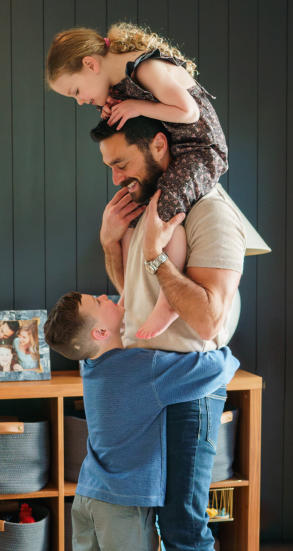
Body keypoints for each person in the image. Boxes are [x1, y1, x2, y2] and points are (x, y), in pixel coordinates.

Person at [94, 115, 246, 551]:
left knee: (186, 528)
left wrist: (154, 252)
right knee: (156, 518)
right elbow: (132, 297)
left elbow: (207, 319)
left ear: (159, 146)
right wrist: (113, 241)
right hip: (145, 381)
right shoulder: (147, 207)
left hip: (187, 389)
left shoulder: (210, 216)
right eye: (109, 167)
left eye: (122, 163)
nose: (115, 177)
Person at [43, 288, 238, 551]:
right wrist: (223, 343)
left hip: (88, 495)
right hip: (124, 506)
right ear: (100, 329)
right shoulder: (142, 367)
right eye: (100, 300)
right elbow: (219, 367)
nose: (107, 294)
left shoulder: (91, 364)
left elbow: (116, 306)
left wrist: (124, 302)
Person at [47, 22, 227, 340]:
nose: (78, 101)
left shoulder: (143, 66)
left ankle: (169, 303)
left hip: (200, 150)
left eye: (76, 91)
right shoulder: (119, 83)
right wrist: (116, 109)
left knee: (163, 210)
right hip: (176, 148)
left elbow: (189, 113)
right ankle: (132, 297)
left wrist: (136, 106)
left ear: (90, 64)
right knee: (136, 216)